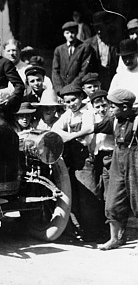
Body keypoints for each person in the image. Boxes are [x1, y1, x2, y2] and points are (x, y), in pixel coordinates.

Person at [52, 84, 105, 241]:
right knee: (74, 195)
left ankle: (96, 232)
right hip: (71, 159)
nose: (71, 104)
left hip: (85, 159)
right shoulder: (68, 114)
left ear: (81, 97)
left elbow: (88, 132)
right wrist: (69, 135)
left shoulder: (88, 113)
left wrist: (69, 136)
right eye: (67, 102)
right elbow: (55, 128)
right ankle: (82, 231)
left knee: (89, 196)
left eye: (73, 100)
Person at [92, 89, 138, 251]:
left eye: (113, 106)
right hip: (118, 159)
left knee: (137, 201)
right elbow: (94, 127)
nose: (109, 109)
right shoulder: (114, 120)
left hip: (135, 160)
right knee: (112, 202)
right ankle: (115, 239)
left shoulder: (137, 120)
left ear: (125, 107)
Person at [52, 21, 95, 93]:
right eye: (67, 33)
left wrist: (72, 88)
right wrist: (59, 89)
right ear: (64, 34)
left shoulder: (85, 47)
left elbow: (84, 70)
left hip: (77, 88)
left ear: (77, 32)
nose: (70, 35)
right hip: (62, 90)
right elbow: (55, 71)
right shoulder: (59, 49)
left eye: (72, 32)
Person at [89, 89, 114, 206]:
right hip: (98, 156)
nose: (101, 109)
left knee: (111, 190)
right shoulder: (94, 118)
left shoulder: (111, 118)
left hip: (110, 155)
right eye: (97, 107)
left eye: (104, 105)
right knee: (100, 188)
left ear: (109, 105)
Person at [85, 11, 120, 90]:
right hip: (95, 81)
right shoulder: (88, 43)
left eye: (101, 28)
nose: (99, 31)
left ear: (107, 26)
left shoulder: (115, 42)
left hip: (111, 79)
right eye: (97, 28)